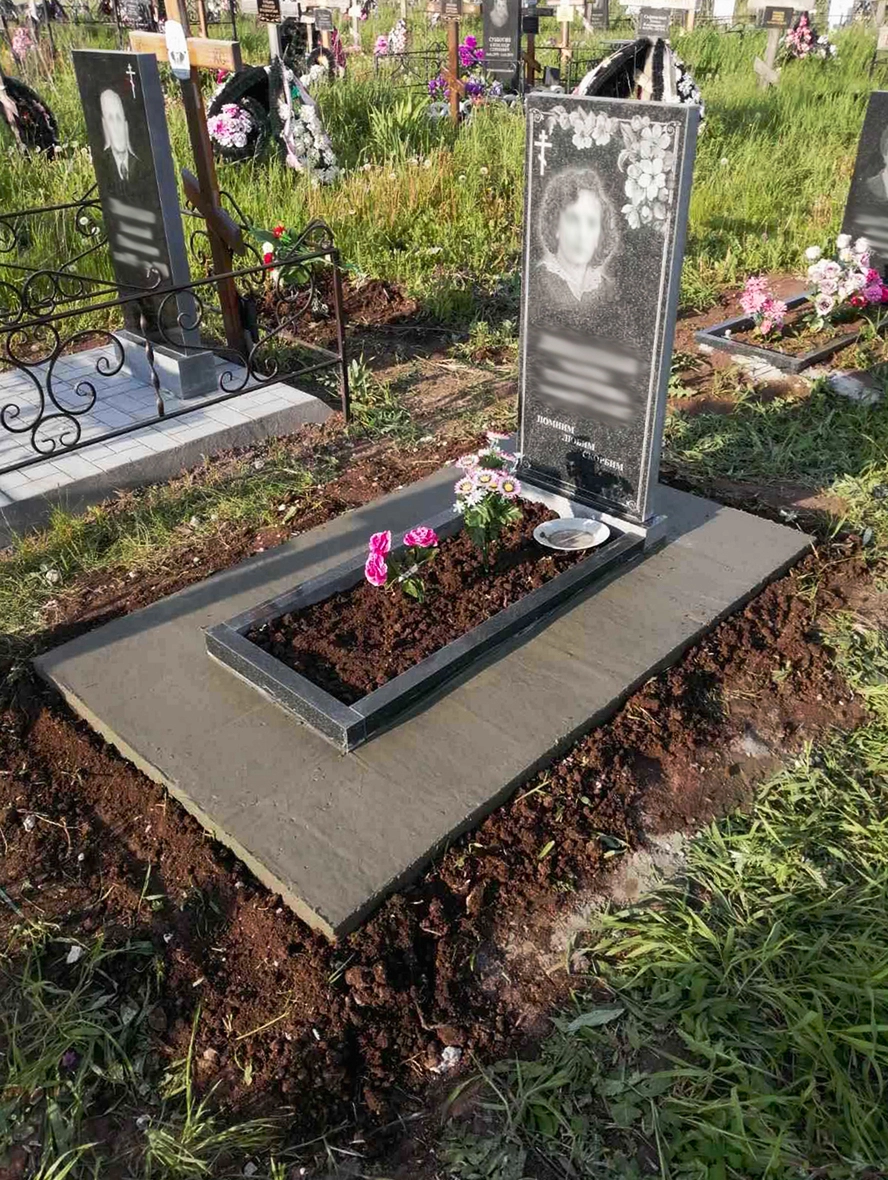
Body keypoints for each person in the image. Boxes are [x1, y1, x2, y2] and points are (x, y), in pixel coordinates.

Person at [534, 166, 617, 314]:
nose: (582, 234)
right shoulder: (537, 282)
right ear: (556, 226)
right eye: (573, 220)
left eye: (591, 223)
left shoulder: (608, 290)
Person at [100, 88, 142, 189]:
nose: (116, 127)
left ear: (125, 124)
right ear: (105, 126)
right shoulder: (102, 166)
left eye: (119, 118)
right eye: (110, 119)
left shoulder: (141, 166)